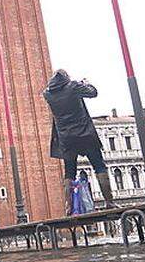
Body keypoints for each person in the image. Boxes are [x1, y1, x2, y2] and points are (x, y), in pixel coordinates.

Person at [44, 69, 113, 213]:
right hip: (85, 134)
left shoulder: (48, 94)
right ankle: (109, 202)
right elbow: (93, 93)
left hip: (66, 139)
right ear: (66, 78)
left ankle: (68, 207)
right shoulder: (73, 87)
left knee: (69, 172)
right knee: (99, 166)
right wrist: (86, 83)